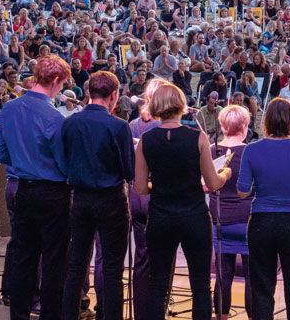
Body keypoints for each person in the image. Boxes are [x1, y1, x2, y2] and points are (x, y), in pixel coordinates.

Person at [134, 82, 232, 320]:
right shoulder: (197, 137)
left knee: (157, 284)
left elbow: (140, 188)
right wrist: (226, 173)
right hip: (194, 217)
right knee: (200, 285)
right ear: (181, 105)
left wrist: (160, 184)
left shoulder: (146, 140)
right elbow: (212, 184)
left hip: (160, 218)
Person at [0, 55, 72, 320]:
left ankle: (18, 315)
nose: (61, 89)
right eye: (61, 84)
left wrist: (24, 159)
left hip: (23, 190)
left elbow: (2, 154)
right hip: (53, 193)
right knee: (53, 262)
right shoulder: (55, 117)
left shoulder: (9, 109)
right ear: (55, 80)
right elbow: (64, 165)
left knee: (22, 259)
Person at [61, 71, 135, 320]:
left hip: (80, 198)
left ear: (88, 92)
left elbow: (63, 161)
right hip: (111, 199)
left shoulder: (70, 123)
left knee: (75, 266)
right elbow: (129, 171)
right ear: (114, 95)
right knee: (113, 269)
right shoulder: (119, 126)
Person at [237, 98, 290, 320]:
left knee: (262, 286)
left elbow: (242, 191)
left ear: (266, 120)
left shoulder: (252, 150)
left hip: (261, 220)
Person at [128, 78, 168, 320]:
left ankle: (141, 313)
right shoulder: (163, 127)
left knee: (142, 257)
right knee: (161, 258)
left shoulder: (133, 124)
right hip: (157, 193)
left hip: (136, 193)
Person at [210, 105, 254, 320]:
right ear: (244, 126)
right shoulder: (251, 151)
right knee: (252, 277)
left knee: (223, 275)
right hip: (247, 220)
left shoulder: (211, 150)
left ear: (222, 125)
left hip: (220, 219)